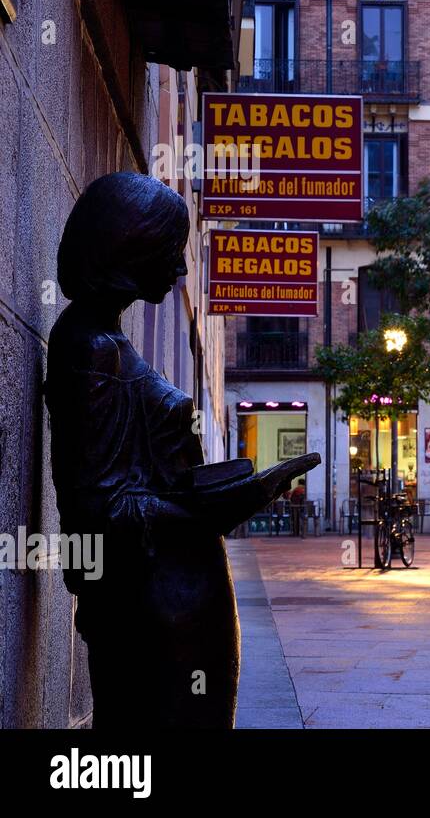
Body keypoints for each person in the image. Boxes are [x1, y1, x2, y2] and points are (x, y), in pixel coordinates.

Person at [45, 172, 314, 728]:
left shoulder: (105, 341)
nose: (181, 268)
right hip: (152, 610)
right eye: (170, 251)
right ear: (129, 247)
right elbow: (100, 509)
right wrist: (212, 508)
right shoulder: (90, 349)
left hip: (173, 599)